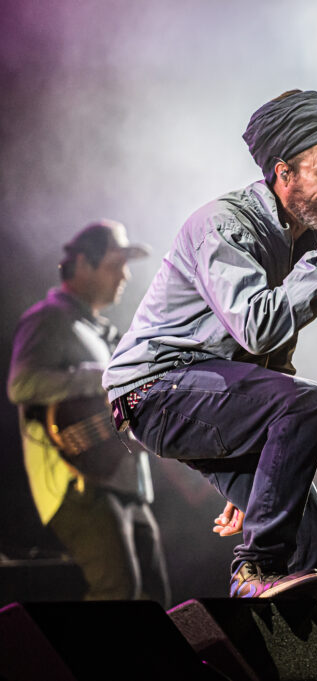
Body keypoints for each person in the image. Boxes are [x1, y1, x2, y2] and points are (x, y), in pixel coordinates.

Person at [103, 89, 317, 600]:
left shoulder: (298, 239)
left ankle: (265, 640)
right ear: (284, 172)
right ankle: (253, 570)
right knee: (310, 403)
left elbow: (269, 359)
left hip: (210, 392)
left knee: (315, 543)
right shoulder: (225, 224)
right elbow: (258, 328)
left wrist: (267, 472)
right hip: (157, 388)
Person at [8, 219, 171, 605]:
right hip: (78, 483)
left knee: (155, 600)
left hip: (125, 481)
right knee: (118, 594)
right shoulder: (49, 318)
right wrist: (99, 376)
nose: (125, 275)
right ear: (82, 263)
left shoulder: (102, 331)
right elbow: (22, 384)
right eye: (116, 264)